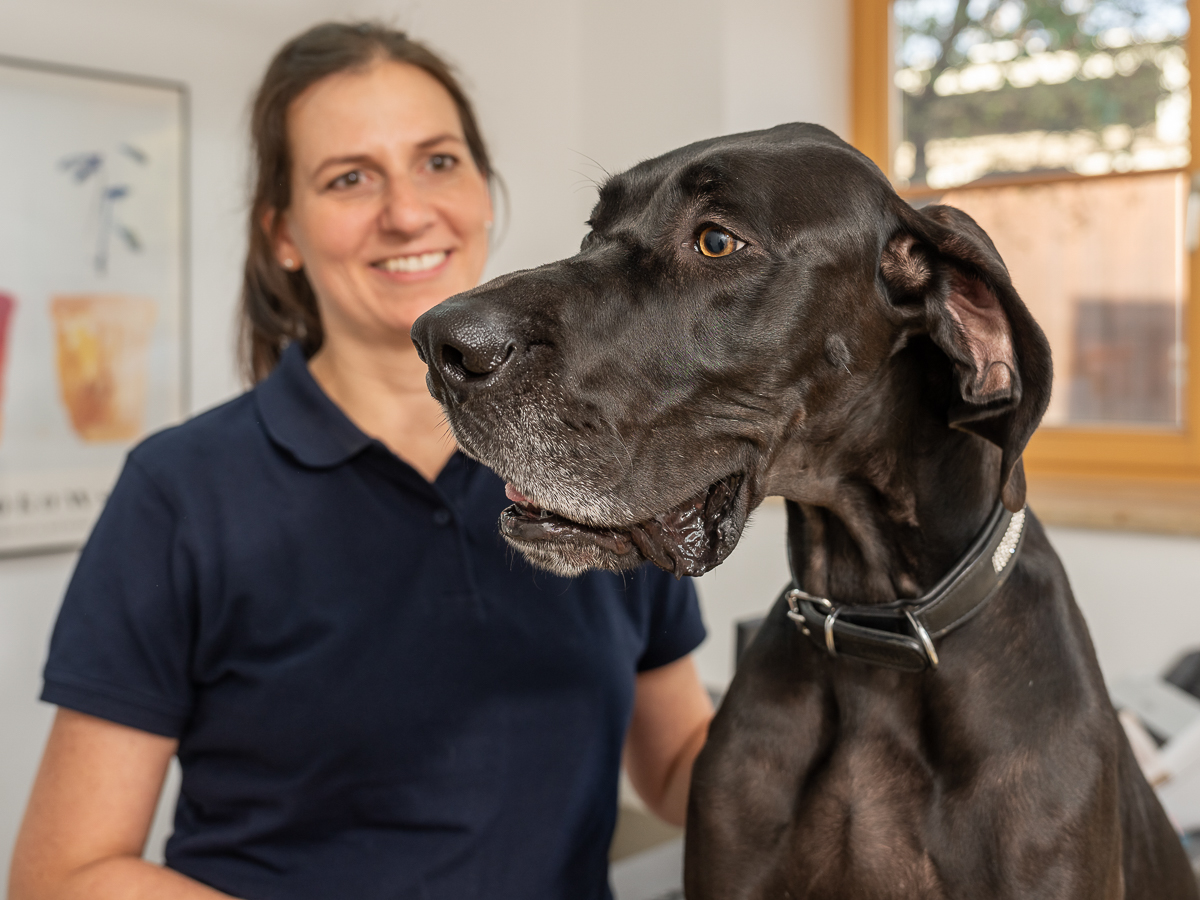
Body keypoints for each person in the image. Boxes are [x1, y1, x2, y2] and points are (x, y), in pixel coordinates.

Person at [9, 22, 713, 900]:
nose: (409, 212)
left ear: (484, 193)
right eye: (350, 178)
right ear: (283, 235)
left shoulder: (604, 464)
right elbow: (63, 876)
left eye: (438, 162)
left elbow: (682, 764)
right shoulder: (181, 494)